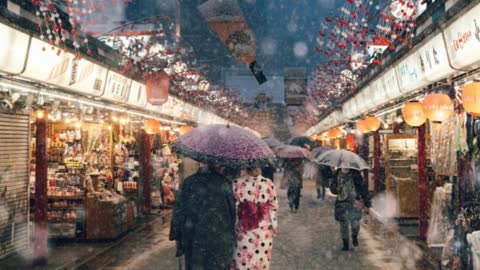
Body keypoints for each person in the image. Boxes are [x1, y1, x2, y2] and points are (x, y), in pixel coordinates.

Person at [169, 165, 236, 270]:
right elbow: (232, 214)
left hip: (194, 239)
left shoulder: (188, 182)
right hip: (219, 240)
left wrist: (176, 235)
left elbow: (178, 211)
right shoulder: (224, 184)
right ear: (218, 167)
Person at [232, 167, 279, 270]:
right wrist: (273, 227)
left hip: (244, 230)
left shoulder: (237, 183)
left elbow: (234, 210)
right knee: (261, 264)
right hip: (264, 232)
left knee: (243, 263)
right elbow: (273, 207)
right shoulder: (268, 183)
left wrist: (235, 227)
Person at [330, 168, 371, 251]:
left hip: (354, 202)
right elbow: (332, 188)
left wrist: (367, 202)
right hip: (341, 202)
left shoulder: (356, 173)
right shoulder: (337, 173)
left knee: (355, 222)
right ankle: (345, 244)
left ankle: (354, 236)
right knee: (343, 224)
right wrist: (335, 188)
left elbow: (362, 188)